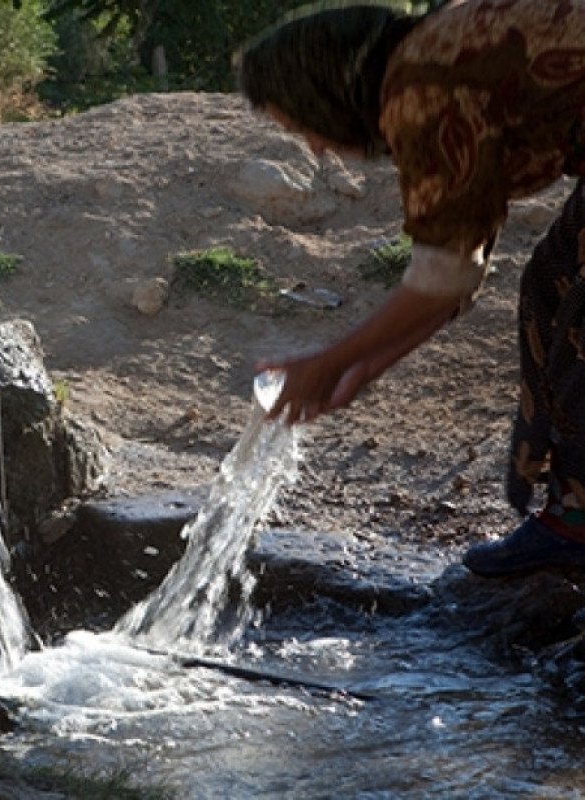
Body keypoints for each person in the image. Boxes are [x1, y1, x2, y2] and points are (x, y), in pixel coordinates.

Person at [236, 0, 585, 576]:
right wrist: (361, 368)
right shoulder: (437, 53)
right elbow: (458, 271)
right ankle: (575, 516)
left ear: (321, 91)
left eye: (298, 124)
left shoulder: (418, 91)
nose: (315, 147)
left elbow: (442, 273)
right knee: (557, 282)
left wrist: (329, 363)